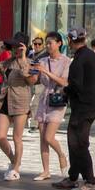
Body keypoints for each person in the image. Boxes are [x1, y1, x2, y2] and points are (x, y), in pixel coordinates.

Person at [55, 28, 95, 190]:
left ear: (70, 40)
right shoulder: (92, 56)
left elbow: (75, 85)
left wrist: (64, 91)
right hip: (91, 104)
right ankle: (73, 177)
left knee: (79, 144)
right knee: (73, 141)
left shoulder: (78, 60)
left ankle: (90, 181)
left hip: (82, 107)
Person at [0, 36, 37, 181]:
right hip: (5, 100)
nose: (15, 50)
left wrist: (23, 59)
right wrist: (1, 50)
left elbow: (31, 81)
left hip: (21, 102)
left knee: (17, 137)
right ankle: (14, 160)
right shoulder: (8, 62)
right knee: (0, 137)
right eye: (14, 47)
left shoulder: (31, 63)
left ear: (24, 47)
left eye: (18, 47)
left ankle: (16, 169)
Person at [31, 32, 71, 181]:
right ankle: (45, 170)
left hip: (58, 101)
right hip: (44, 100)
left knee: (49, 137)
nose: (48, 46)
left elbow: (64, 82)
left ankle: (61, 155)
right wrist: (30, 72)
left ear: (59, 43)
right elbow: (35, 80)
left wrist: (46, 71)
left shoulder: (66, 61)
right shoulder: (42, 60)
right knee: (42, 138)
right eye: (46, 43)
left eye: (50, 43)